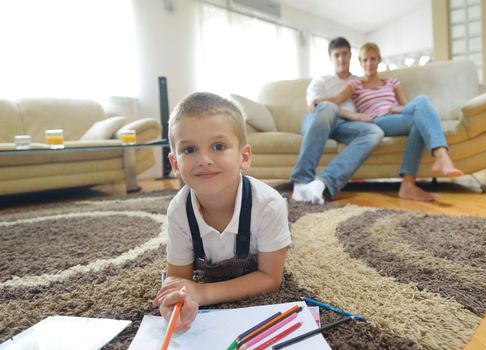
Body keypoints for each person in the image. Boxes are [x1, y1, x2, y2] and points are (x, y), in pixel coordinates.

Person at [154, 92, 291, 334]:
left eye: (218, 146)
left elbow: (270, 278)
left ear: (244, 157)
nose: (204, 159)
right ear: (175, 164)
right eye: (190, 150)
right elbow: (178, 279)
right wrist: (176, 301)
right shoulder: (178, 211)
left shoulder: (268, 205)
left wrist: (203, 292)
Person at [324, 42, 463, 201]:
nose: (369, 63)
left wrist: (400, 108)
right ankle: (441, 156)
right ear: (361, 63)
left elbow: (407, 106)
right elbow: (335, 100)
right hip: (377, 121)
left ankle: (408, 185)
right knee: (423, 102)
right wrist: (318, 101)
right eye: (365, 60)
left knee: (421, 111)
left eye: (373, 59)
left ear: (379, 60)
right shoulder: (355, 84)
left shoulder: (392, 82)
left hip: (397, 116)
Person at [290, 37, 384, 205]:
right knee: (329, 107)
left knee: (375, 132)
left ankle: (323, 183)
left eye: (345, 54)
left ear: (350, 56)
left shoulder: (359, 82)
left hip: (344, 127)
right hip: (319, 121)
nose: (341, 59)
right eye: (337, 55)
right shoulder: (321, 80)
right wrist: (352, 115)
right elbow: (315, 105)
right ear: (331, 58)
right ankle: (301, 182)